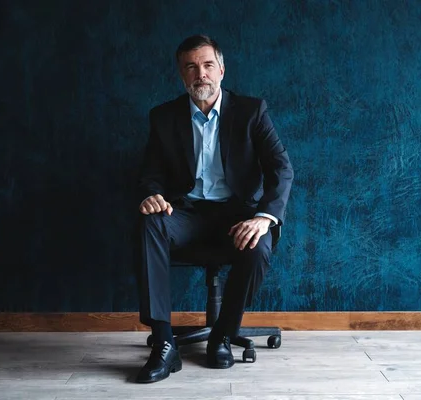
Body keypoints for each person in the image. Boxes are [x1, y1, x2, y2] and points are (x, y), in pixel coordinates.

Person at [134, 34, 294, 383]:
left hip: (236, 213)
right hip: (185, 213)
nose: (200, 74)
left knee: (258, 244)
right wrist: (151, 195)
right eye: (191, 67)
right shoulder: (164, 117)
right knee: (149, 223)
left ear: (221, 70)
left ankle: (222, 333)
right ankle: (163, 343)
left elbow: (281, 169)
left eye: (207, 65)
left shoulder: (252, 112)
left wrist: (263, 218)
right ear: (181, 75)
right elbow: (151, 174)